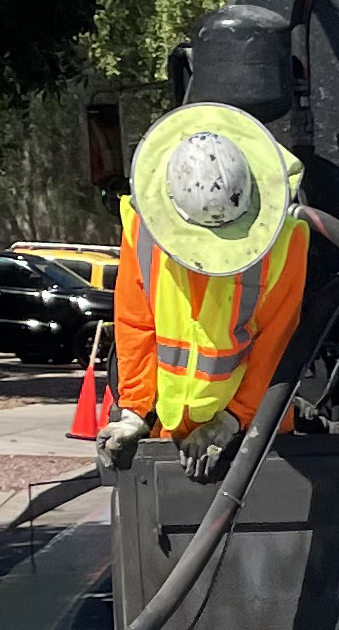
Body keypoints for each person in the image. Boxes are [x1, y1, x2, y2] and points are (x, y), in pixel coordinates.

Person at [99, 102, 310, 465]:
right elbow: (135, 326)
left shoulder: (285, 243)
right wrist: (133, 412)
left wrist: (232, 420)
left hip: (253, 434)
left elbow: (276, 346)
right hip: (169, 430)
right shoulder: (142, 229)